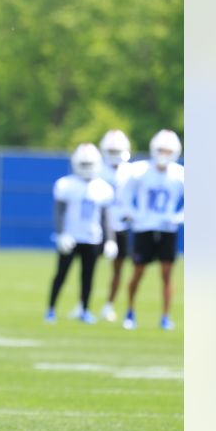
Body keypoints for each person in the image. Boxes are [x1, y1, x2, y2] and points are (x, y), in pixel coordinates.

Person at [120, 130, 185, 330]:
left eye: (168, 151)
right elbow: (125, 194)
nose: (164, 154)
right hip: (144, 227)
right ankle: (130, 311)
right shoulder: (139, 171)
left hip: (167, 229)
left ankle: (165, 317)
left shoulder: (179, 174)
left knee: (166, 274)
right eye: (161, 150)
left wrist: (178, 217)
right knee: (138, 272)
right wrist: (133, 214)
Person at [46, 144, 115, 324]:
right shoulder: (66, 184)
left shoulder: (103, 187)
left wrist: (110, 240)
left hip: (92, 238)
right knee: (61, 274)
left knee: (88, 277)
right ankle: (51, 309)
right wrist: (61, 234)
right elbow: (59, 212)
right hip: (70, 237)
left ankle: (85, 310)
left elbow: (106, 217)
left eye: (89, 164)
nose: (86, 168)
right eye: (83, 164)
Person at [98, 130, 135, 321]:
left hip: (120, 224)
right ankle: (83, 303)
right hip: (99, 225)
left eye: (116, 150)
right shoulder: (97, 169)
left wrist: (133, 213)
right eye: (110, 150)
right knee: (88, 265)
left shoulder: (131, 171)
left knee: (118, 268)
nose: (113, 154)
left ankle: (109, 305)